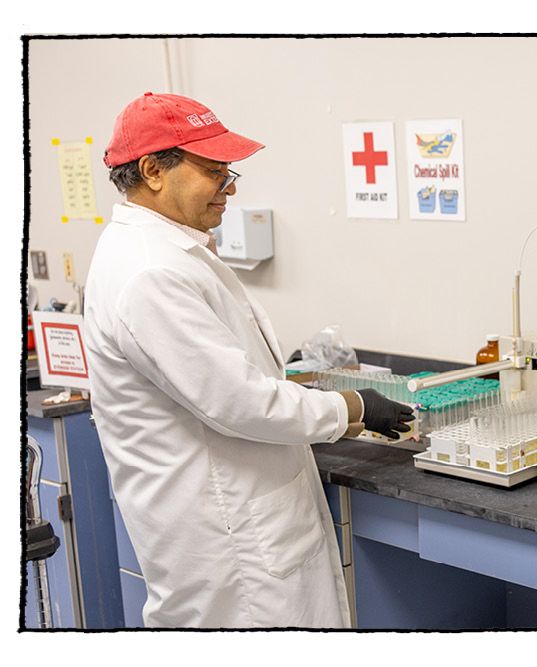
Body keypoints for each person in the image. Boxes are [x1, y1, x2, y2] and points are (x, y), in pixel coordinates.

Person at [83, 92, 413, 628]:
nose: (231, 186)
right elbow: (240, 402)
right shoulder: (150, 274)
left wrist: (333, 408)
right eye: (215, 170)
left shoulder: (172, 253)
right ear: (152, 170)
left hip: (246, 522)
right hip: (230, 547)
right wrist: (350, 406)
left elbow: (231, 381)